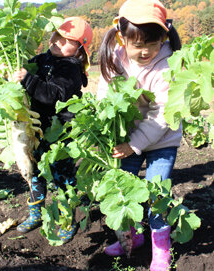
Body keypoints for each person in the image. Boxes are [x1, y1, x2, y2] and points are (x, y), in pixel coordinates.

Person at [97, 0, 182, 270]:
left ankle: (161, 248)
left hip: (162, 140)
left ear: (163, 38)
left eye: (152, 44)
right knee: (124, 189)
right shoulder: (114, 58)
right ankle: (132, 238)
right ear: (122, 38)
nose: (145, 51)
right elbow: (104, 95)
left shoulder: (166, 65)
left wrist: (132, 145)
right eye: (137, 45)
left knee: (157, 193)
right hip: (128, 139)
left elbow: (162, 117)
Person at [13, 16, 93, 242]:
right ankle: (35, 213)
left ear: (80, 51)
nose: (58, 41)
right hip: (36, 131)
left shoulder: (71, 70)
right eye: (57, 35)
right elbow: (25, 76)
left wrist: (29, 80)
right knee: (34, 173)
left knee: (62, 178)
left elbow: (53, 96)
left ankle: (67, 219)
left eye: (67, 40)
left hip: (60, 134)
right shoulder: (40, 60)